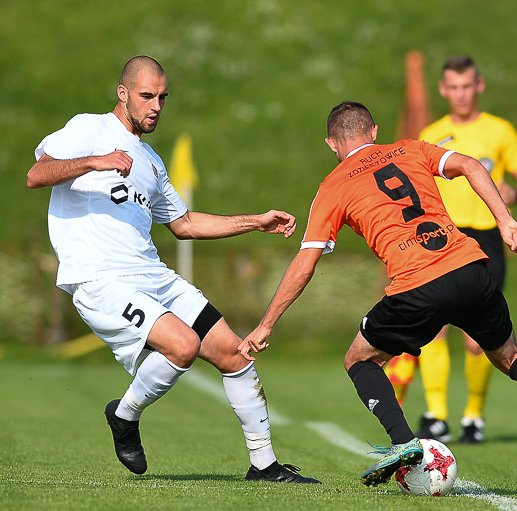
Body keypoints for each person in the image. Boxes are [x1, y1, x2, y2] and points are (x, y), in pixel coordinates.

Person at [240, 101, 517, 487]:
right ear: (374, 131)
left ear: (331, 143)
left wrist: (266, 324)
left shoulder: (332, 186)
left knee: (359, 359)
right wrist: (505, 221)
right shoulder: (411, 148)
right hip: (470, 268)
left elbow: (305, 265)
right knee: (510, 356)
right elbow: (471, 165)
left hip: (417, 285)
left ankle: (403, 441)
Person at [26, 55, 319, 484]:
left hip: (152, 275)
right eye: (147, 96)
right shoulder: (88, 129)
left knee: (234, 354)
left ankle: (264, 466)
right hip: (100, 277)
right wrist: (95, 161)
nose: (156, 106)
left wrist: (255, 221)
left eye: (162, 97)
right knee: (182, 346)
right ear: (123, 93)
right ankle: (124, 415)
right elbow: (37, 174)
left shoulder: (151, 161)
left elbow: (185, 224)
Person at [385, 54, 517, 445]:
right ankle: (437, 415)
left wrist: (514, 195)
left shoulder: (500, 130)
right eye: (453, 87)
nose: (461, 94)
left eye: (467, 86)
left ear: (479, 85)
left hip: (486, 238)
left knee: (477, 338)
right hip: (444, 238)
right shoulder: (432, 133)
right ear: (443, 90)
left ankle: (474, 416)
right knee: (434, 329)